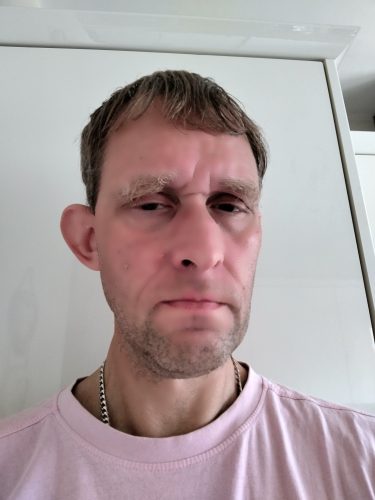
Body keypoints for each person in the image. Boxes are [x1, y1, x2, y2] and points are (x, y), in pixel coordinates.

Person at [0, 70, 374, 500]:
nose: (203, 250)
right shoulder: (11, 469)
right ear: (89, 240)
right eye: (152, 203)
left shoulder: (361, 461)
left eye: (229, 205)